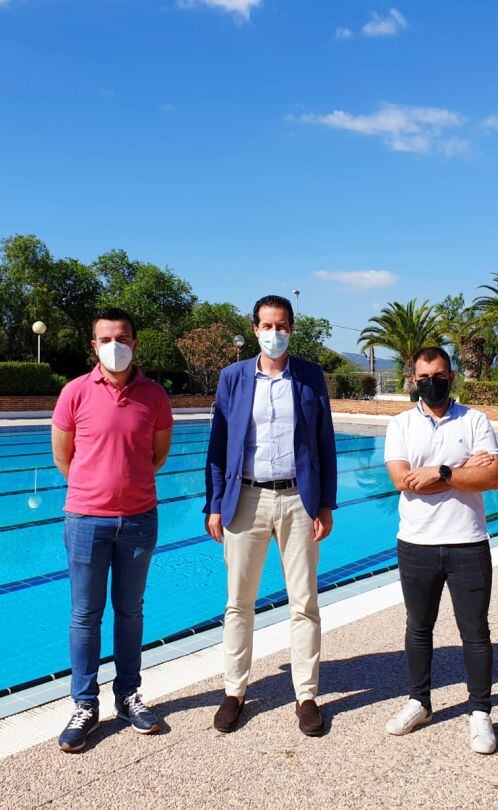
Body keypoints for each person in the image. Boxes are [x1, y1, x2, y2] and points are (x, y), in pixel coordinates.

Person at [204, 294, 338, 736]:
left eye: (282, 326)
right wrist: (214, 503)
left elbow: (324, 443)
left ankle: (306, 695)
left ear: (291, 330)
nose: (274, 333)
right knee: (239, 603)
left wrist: (325, 503)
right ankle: (234, 691)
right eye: (267, 325)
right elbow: (219, 446)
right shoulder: (233, 378)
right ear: (254, 329)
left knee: (304, 603)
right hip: (245, 499)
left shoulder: (310, 377)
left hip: (298, 500)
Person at [51, 307, 174, 752]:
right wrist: (95, 491)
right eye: (105, 338)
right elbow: (63, 457)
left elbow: (157, 456)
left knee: (130, 611)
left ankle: (128, 697)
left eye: (121, 337)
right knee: (85, 615)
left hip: (140, 519)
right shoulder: (74, 393)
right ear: (94, 345)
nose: (114, 346)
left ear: (135, 343)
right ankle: (85, 704)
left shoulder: (155, 396)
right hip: (85, 519)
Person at [382, 347, 498, 754]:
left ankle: (480, 712)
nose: (430, 382)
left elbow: (493, 478)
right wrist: (463, 469)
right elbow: (402, 480)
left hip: (468, 542)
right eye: (423, 376)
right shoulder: (399, 424)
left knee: (475, 632)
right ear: (413, 380)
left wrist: (441, 471)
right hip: (416, 543)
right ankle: (419, 702)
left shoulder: (475, 419)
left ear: (451, 377)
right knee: (418, 628)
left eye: (438, 374)